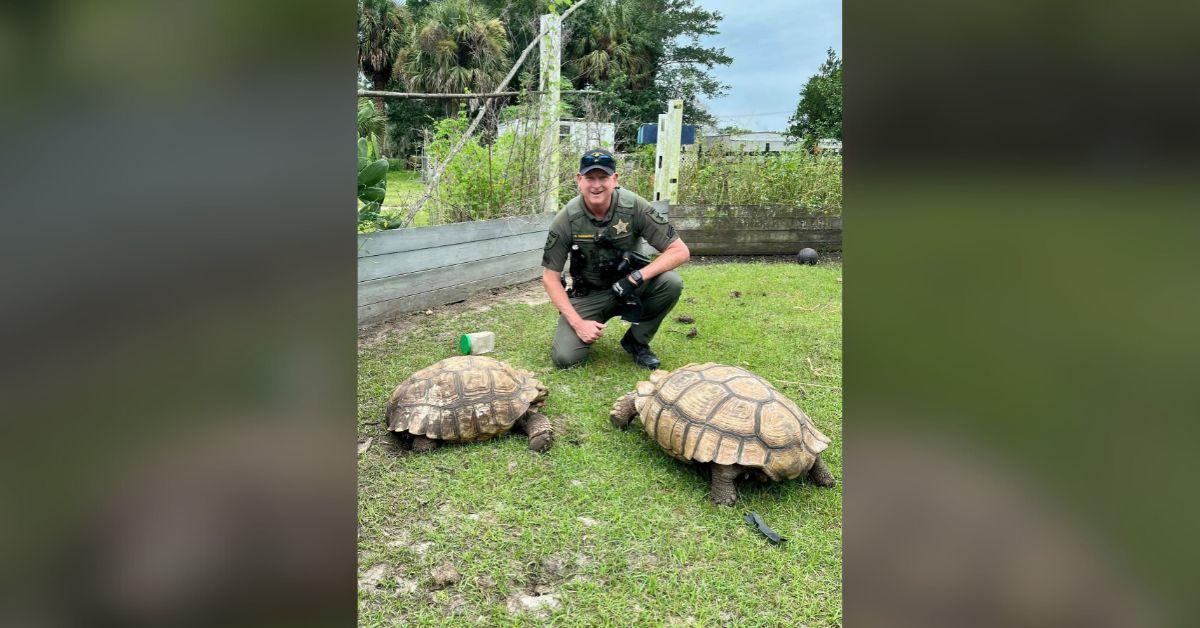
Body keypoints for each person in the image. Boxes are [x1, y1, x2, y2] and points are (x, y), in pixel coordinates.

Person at [541, 148, 690, 369]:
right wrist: (578, 323)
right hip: (590, 294)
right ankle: (584, 326)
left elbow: (680, 250)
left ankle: (636, 341)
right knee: (566, 359)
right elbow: (550, 277)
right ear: (579, 180)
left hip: (631, 287)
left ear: (615, 179)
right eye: (590, 178)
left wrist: (637, 277)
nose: (596, 185)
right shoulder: (566, 219)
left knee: (671, 283)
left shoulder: (634, 206)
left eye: (603, 177)